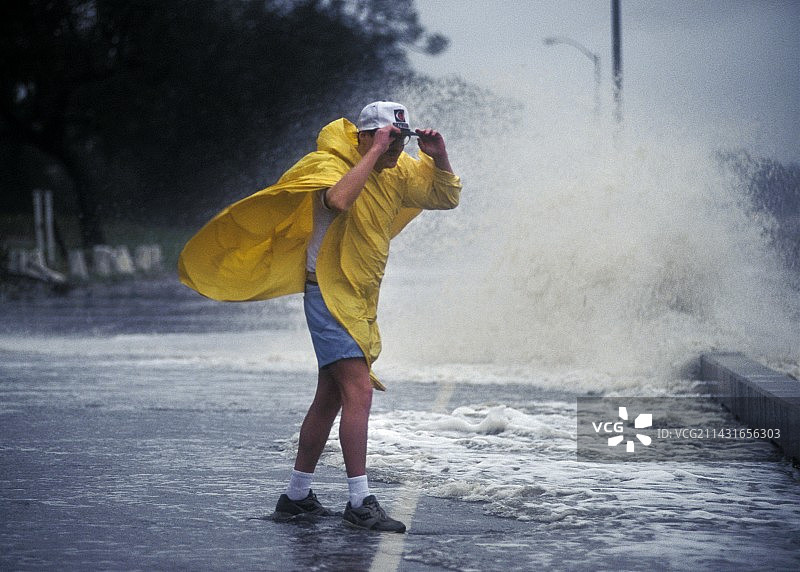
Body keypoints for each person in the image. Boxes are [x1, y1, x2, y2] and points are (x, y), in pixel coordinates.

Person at [178, 101, 461, 533]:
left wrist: (437, 155)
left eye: (400, 141)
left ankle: (295, 496)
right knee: (358, 391)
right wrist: (373, 154)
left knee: (329, 397)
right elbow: (340, 200)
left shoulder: (397, 171)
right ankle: (359, 501)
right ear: (364, 136)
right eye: (387, 140)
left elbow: (445, 196)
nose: (394, 151)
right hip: (329, 292)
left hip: (361, 295)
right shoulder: (328, 163)